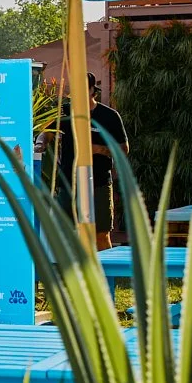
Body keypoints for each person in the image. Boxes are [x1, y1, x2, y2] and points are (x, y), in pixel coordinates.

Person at [55, 73, 129, 252]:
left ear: (91, 91)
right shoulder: (64, 111)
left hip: (99, 183)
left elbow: (124, 149)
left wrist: (100, 149)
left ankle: (104, 276)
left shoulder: (109, 116)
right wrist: (41, 141)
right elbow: (48, 131)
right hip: (68, 183)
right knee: (65, 233)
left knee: (101, 235)